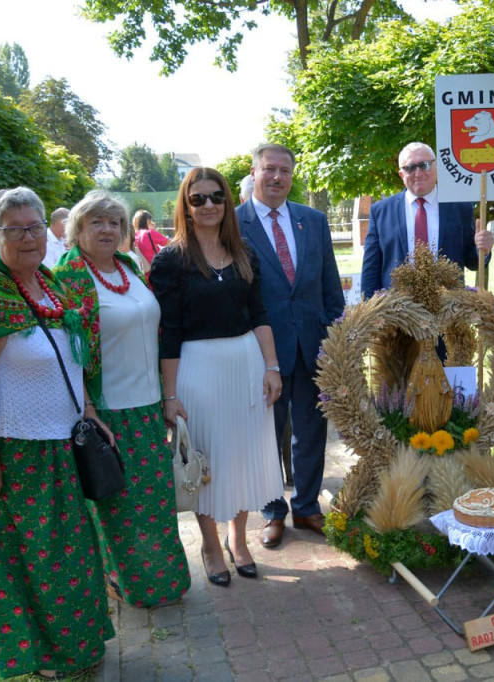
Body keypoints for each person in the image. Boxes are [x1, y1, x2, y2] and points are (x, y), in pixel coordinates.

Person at [0, 187, 114, 678]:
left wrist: (88, 409)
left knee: (78, 555)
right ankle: (49, 654)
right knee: (42, 562)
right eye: (14, 229)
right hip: (21, 451)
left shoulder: (49, 283)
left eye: (35, 226)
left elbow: (72, 358)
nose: (28, 237)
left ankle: (81, 644)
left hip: (66, 442)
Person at [53, 190, 191, 607]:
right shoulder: (70, 278)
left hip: (148, 405)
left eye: (114, 222)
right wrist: (89, 410)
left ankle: (166, 581)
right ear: (77, 230)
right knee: (123, 507)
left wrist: (168, 396)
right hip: (110, 408)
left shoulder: (129, 267)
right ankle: (132, 584)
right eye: (97, 222)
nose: (107, 229)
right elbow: (67, 351)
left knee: (157, 502)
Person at [151, 168, 285, 585]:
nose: (208, 205)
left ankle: (238, 539)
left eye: (216, 197)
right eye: (198, 199)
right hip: (198, 368)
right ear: (185, 207)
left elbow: (260, 314)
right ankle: (210, 545)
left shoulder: (244, 251)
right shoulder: (170, 260)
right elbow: (168, 331)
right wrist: (169, 396)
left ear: (227, 202)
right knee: (206, 461)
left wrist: (272, 366)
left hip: (245, 363)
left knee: (242, 456)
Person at [234, 144, 345, 549]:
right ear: (254, 171)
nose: (277, 177)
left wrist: (338, 340)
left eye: (284, 170)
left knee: (312, 430)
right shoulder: (234, 224)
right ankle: (272, 512)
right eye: (269, 169)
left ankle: (306, 506)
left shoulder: (312, 221)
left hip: (314, 345)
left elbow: (330, 285)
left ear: (292, 175)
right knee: (267, 432)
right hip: (262, 351)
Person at [361, 142, 494, 298]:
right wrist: (370, 311)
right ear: (401, 175)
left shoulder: (460, 207)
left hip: (447, 308)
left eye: (424, 165)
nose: (418, 173)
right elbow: (371, 270)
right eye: (410, 167)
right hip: (397, 311)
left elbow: (472, 262)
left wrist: (484, 250)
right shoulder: (381, 212)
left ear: (436, 167)